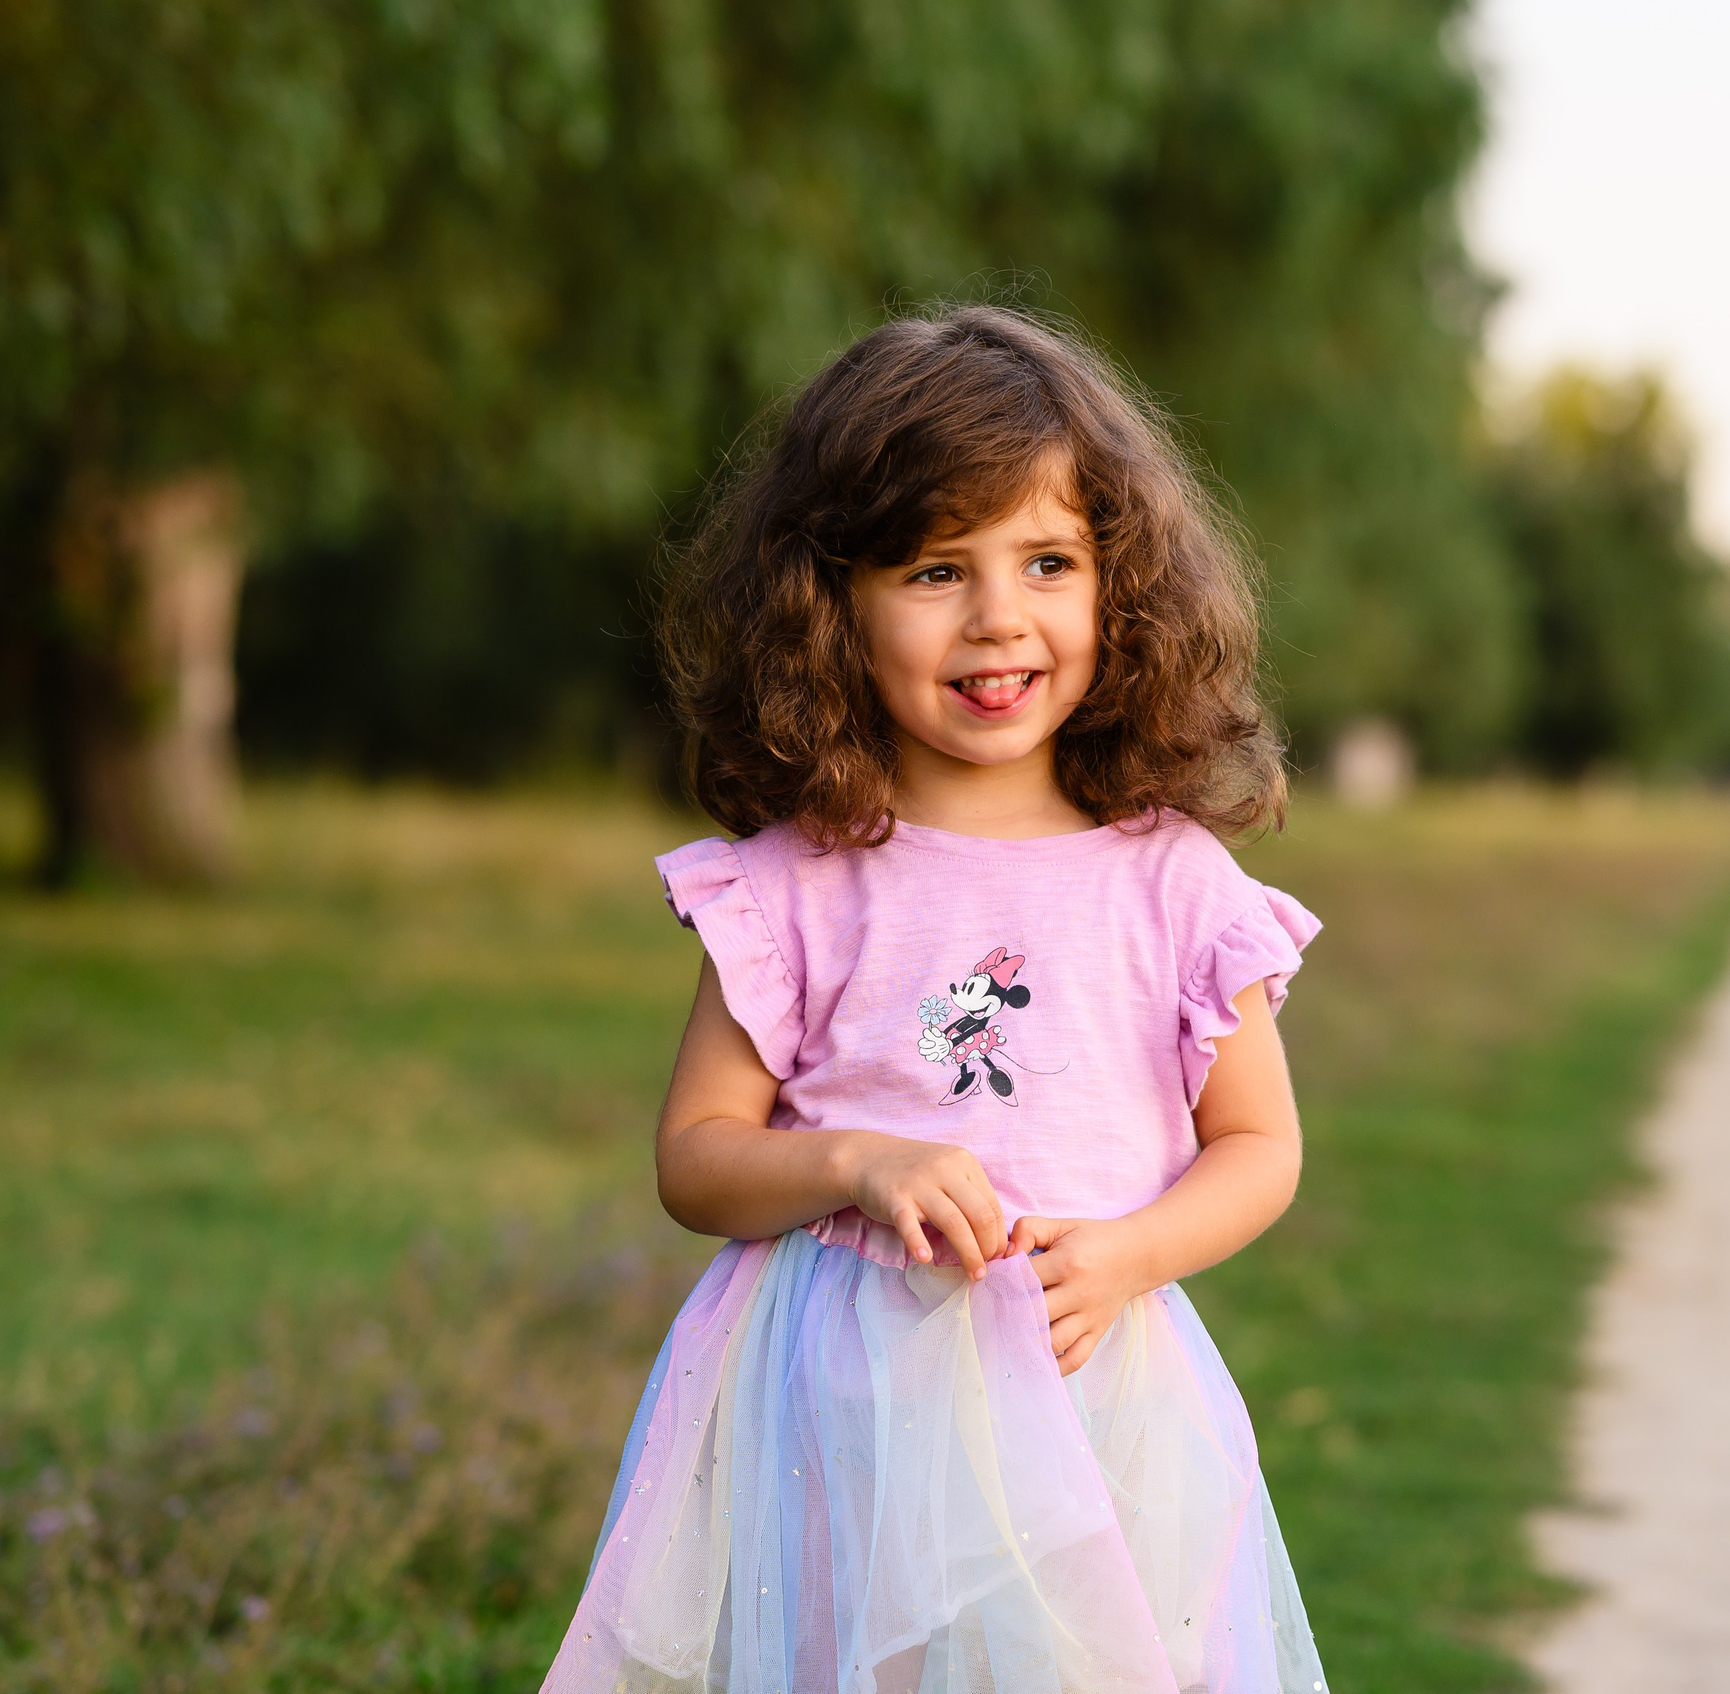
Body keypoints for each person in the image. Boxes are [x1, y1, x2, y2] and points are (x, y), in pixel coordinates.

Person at [541, 308, 1331, 1694]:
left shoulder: (1173, 884)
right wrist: (853, 1159)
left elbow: (1261, 1147)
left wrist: (1137, 1253)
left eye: (1047, 561)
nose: (997, 618)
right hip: (836, 1416)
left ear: (1118, 586)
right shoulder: (797, 882)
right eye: (931, 569)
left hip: (1098, 1396)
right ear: (829, 600)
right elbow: (696, 1159)